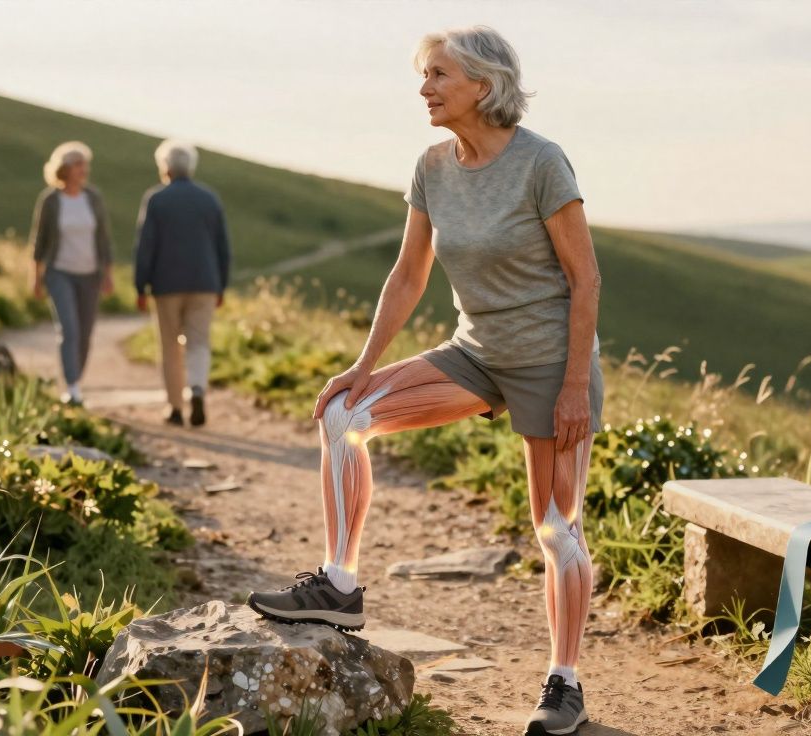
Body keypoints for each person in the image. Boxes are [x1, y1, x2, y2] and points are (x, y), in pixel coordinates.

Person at [246, 26, 604, 736]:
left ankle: (563, 684)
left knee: (556, 528)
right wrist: (364, 366)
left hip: (548, 362)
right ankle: (339, 585)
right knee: (347, 415)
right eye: (425, 75)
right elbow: (409, 274)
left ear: (484, 84)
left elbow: (584, 276)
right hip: (474, 353)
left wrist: (571, 387)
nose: (425, 89)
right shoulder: (432, 166)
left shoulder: (541, 164)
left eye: (439, 75)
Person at [133, 140, 231, 427]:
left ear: (165, 168)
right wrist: (221, 285)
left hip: (166, 285)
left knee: (170, 346)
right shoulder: (210, 199)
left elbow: (145, 246)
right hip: (205, 283)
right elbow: (222, 248)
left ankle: (175, 408)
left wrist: (141, 286)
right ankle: (197, 389)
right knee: (199, 342)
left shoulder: (156, 199)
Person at [29, 141, 114, 405]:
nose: (83, 169)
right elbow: (39, 241)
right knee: (70, 329)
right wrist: (36, 277)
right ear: (64, 168)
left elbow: (104, 239)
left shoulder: (93, 198)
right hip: (59, 273)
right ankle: (73, 387)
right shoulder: (51, 201)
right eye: (78, 164)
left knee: (86, 333)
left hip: (90, 274)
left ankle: (77, 377)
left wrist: (108, 274)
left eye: (85, 164)